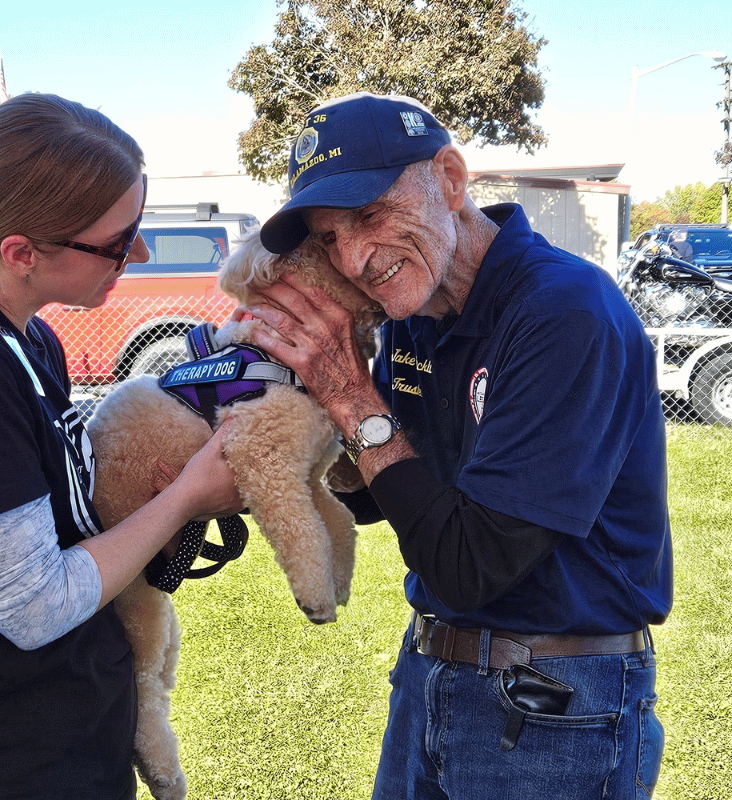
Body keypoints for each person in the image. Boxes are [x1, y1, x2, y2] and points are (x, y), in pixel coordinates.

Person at [246, 93, 672, 799]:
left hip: (554, 701)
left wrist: (349, 393)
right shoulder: (416, 312)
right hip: (431, 673)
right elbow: (395, 494)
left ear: (450, 178)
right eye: (327, 239)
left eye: (370, 214)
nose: (352, 258)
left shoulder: (565, 312)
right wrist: (293, 426)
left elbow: (472, 564)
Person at [0, 93, 242, 800]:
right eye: (119, 240)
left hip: (65, 746)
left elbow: (62, 513)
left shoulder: (27, 334)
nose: (142, 252)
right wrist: (192, 494)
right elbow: (34, 608)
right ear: (20, 253)